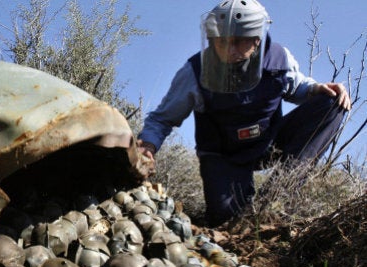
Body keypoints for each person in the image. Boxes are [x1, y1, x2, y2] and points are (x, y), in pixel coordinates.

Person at [137, 0, 351, 227]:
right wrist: (148, 145)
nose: (229, 50)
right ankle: (235, 213)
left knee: (333, 102)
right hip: (224, 156)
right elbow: (162, 118)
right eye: (221, 41)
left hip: (268, 143)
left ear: (257, 39)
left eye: (238, 42)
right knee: (229, 222)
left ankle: (277, 199)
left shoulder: (279, 58)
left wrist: (316, 88)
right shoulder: (195, 72)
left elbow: (295, 86)